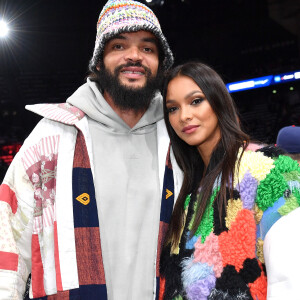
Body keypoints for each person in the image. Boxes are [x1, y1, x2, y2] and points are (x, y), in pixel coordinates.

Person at [0, 1, 183, 299]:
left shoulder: (177, 135)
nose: (134, 56)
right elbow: (6, 236)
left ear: (161, 64)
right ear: (99, 62)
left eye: (147, 48)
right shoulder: (54, 135)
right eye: (120, 46)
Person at [159, 62, 300, 300]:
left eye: (196, 101)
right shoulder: (180, 186)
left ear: (218, 101)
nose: (184, 116)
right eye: (173, 108)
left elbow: (290, 282)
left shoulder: (270, 171)